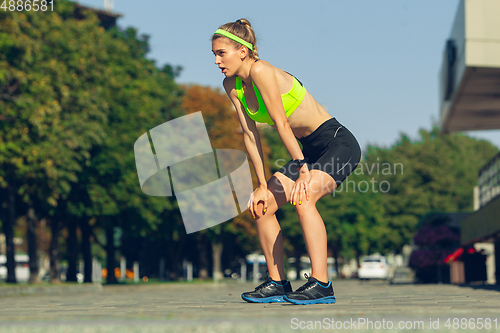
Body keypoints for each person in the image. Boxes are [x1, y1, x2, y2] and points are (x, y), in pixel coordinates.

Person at [212, 19, 361, 305]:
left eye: (222, 53)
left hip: (336, 144)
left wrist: (304, 172)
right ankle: (277, 282)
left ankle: (321, 283)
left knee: (304, 199)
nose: (217, 60)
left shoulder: (262, 70)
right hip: (305, 150)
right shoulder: (232, 84)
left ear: (242, 51)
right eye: (215, 54)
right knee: (262, 205)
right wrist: (259, 185)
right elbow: (249, 134)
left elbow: (281, 124)